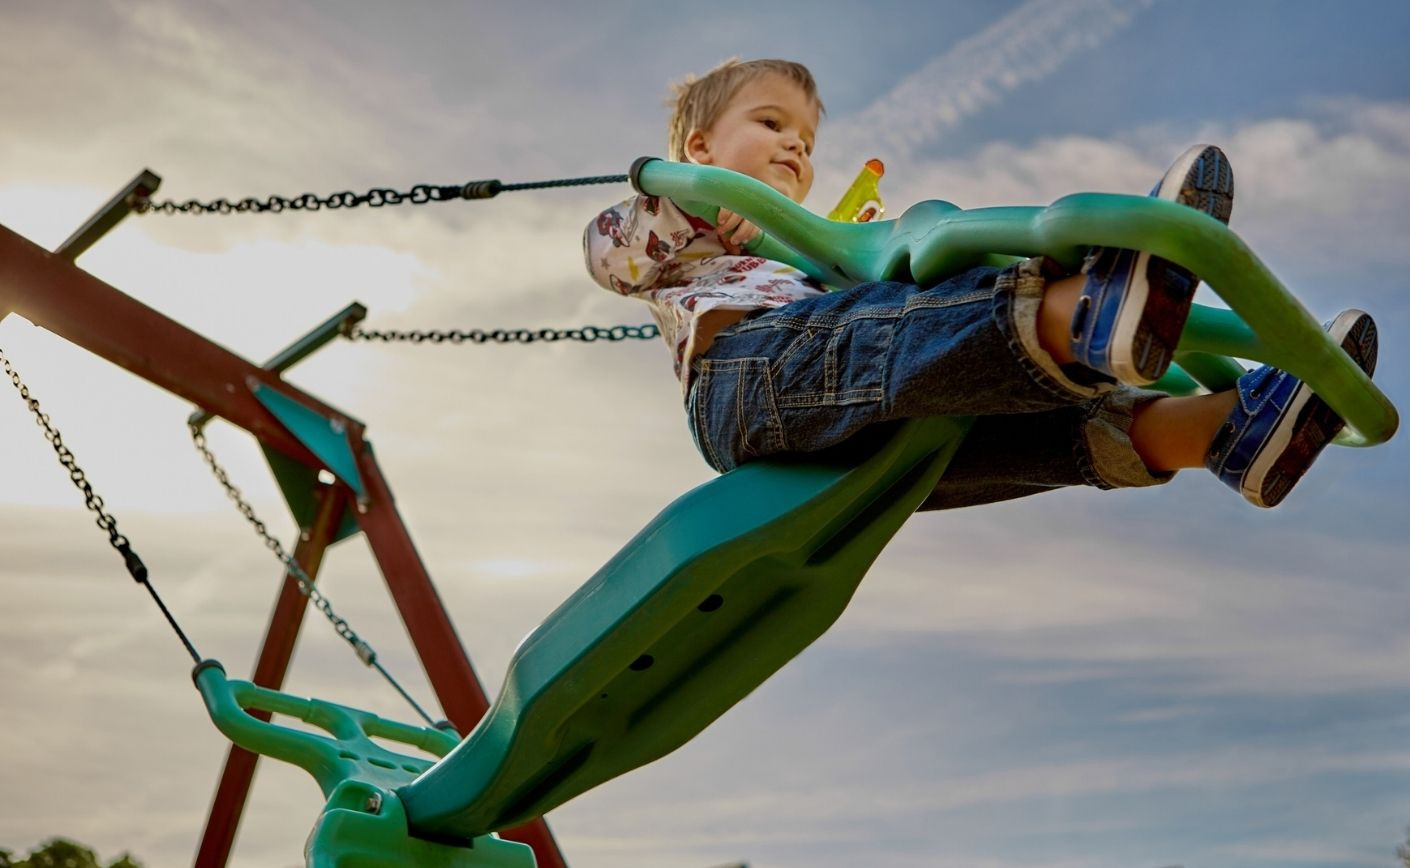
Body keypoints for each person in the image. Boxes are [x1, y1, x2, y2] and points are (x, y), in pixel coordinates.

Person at [584, 58, 1377, 510]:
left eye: (804, 138)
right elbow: (608, 254)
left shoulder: (808, 248)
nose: (793, 147)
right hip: (746, 391)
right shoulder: (671, 228)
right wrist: (688, 195)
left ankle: (1220, 430)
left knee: (985, 432)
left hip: (846, 439)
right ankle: (1080, 313)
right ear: (697, 146)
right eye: (770, 124)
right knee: (901, 324)